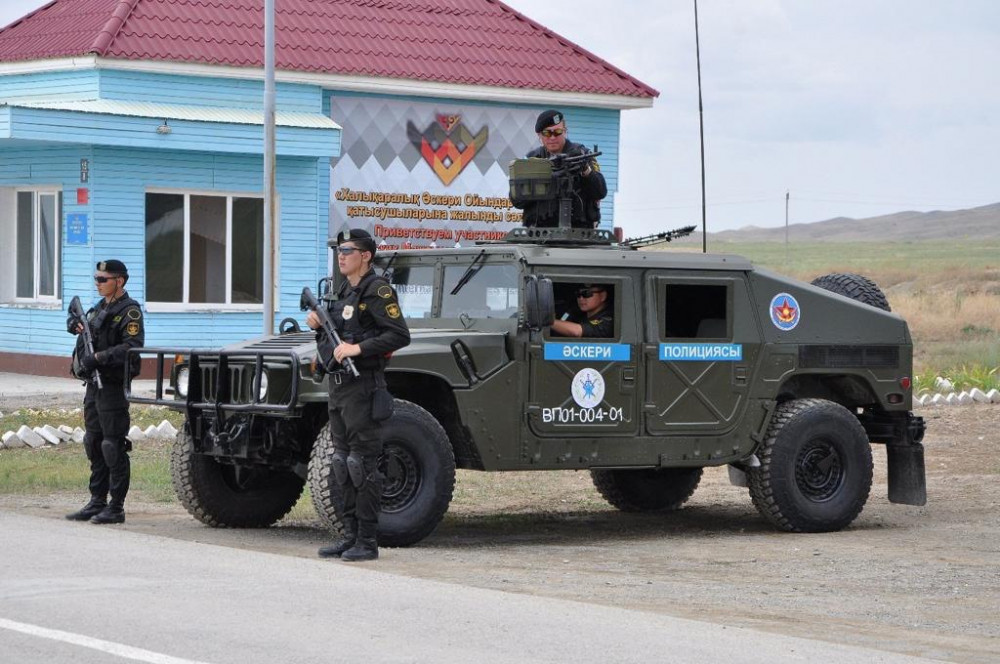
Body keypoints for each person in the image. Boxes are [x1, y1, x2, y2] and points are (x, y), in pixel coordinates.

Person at [307, 229, 410, 562]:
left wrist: (359, 348)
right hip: (339, 388)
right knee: (340, 463)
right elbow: (335, 339)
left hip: (364, 385)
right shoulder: (343, 291)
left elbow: (398, 335)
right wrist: (318, 327)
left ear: (365, 256)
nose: (341, 255)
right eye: (339, 250)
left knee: (361, 463)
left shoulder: (377, 290)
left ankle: (367, 540)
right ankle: (349, 535)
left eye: (348, 250)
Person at [65, 260, 144, 525]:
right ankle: (96, 500)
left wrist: (98, 357)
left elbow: (131, 346)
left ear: (119, 281)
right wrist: (73, 324)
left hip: (111, 386)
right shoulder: (100, 308)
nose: (98, 284)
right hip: (93, 387)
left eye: (103, 279)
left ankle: (116, 506)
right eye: (96, 279)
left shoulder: (129, 312)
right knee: (94, 443)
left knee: (113, 446)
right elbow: (81, 324)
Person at [513, 109, 608, 229]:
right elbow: (517, 201)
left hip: (578, 236)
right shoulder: (532, 159)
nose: (552, 137)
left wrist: (585, 170)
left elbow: (600, 191)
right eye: (547, 133)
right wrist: (540, 182)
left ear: (565, 132)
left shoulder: (582, 154)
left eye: (557, 132)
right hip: (538, 235)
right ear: (539, 135)